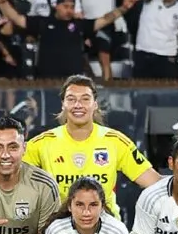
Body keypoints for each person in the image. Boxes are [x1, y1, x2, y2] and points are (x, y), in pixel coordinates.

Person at [24, 75, 159, 204]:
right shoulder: (42, 143)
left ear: (95, 104)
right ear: (63, 105)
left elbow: (154, 182)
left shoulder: (116, 141)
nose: (78, 105)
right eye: (71, 99)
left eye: (85, 99)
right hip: (59, 222)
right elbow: (10, 177)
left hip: (106, 223)